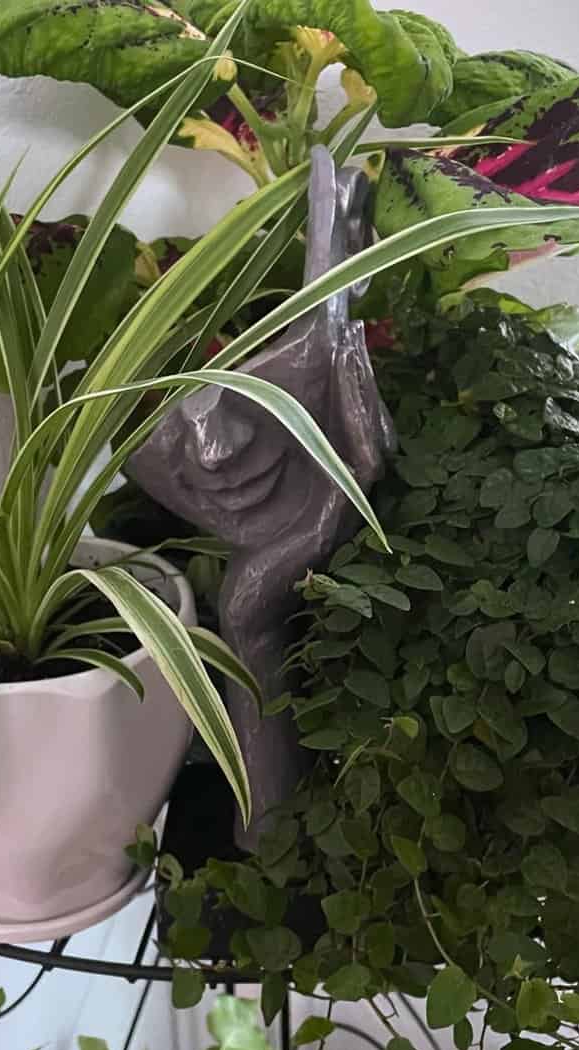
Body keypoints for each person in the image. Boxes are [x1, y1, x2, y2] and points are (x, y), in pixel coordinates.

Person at [128, 146, 396, 849]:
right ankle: (268, 834)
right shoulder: (178, 452)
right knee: (250, 628)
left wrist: (341, 500)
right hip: (270, 590)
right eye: (192, 452)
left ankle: (274, 834)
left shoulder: (312, 365)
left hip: (325, 599)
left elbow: (330, 347)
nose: (216, 458)